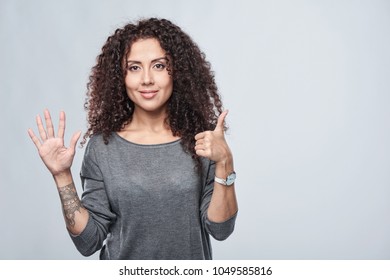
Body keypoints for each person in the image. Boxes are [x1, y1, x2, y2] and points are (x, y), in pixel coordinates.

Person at [28, 18, 238, 260]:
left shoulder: (203, 142)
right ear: (121, 77)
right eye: (134, 67)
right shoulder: (102, 147)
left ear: (177, 72)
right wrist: (62, 175)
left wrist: (225, 162)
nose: (146, 79)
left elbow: (221, 230)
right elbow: (89, 242)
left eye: (159, 66)